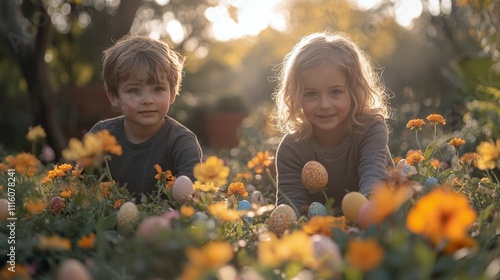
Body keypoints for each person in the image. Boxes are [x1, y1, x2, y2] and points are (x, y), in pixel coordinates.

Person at [272, 31, 394, 214]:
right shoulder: (292, 148)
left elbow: (374, 179)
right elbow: (291, 204)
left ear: (353, 91)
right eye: (311, 94)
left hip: (372, 215)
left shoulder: (370, 129)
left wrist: (367, 216)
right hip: (321, 229)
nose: (324, 105)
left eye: (335, 92)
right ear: (296, 97)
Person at [88, 35, 203, 200]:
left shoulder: (181, 141)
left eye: (158, 89)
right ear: (114, 96)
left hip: (166, 221)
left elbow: (193, 191)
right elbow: (73, 184)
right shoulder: (100, 135)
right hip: (107, 221)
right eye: (134, 90)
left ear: (172, 93)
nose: (148, 100)